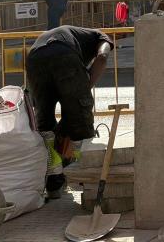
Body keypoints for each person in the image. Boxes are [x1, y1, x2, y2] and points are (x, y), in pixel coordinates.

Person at [27, 25, 112, 199]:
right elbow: (102, 57)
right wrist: (85, 88)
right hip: (63, 54)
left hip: (34, 57)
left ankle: (53, 180)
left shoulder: (72, 33)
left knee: (44, 121)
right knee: (80, 119)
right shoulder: (101, 38)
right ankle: (79, 174)